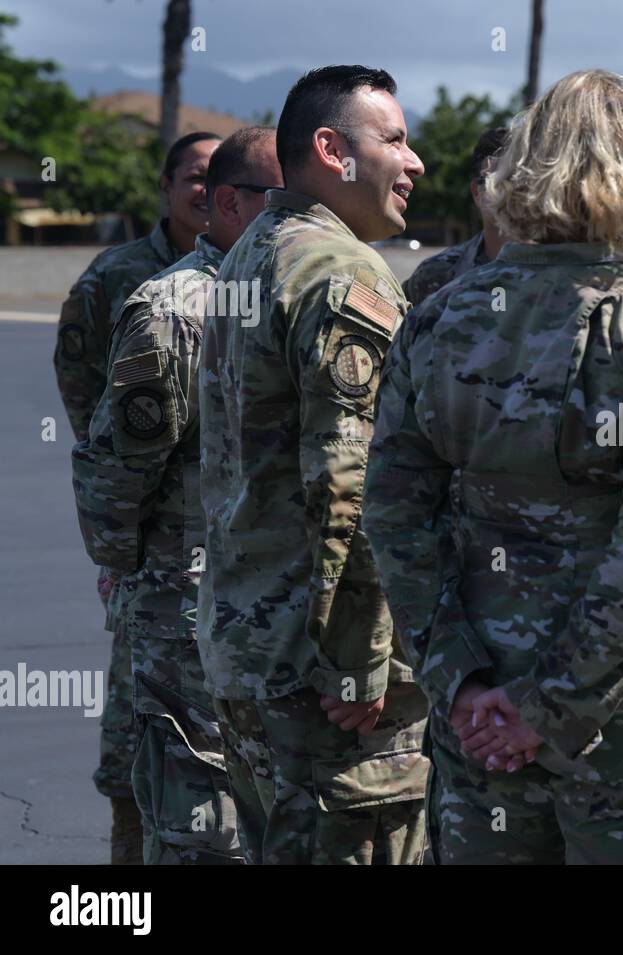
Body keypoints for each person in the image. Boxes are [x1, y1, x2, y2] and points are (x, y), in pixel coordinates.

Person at [363, 68, 623, 864]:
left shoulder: (440, 313)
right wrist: (552, 705)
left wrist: (458, 679)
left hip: (480, 711)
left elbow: (394, 512)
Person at [198, 66, 428, 865]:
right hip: (323, 680)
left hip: (251, 653)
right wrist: (360, 661)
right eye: (394, 139)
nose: (415, 161)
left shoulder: (251, 254)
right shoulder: (340, 274)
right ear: (332, 150)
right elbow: (353, 483)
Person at [70, 128, 282, 864]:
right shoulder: (174, 309)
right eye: (283, 201)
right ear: (231, 203)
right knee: (200, 825)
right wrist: (131, 568)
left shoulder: (301, 294)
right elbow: (111, 470)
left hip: (280, 619)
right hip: (185, 609)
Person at [52, 129, 222, 864]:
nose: (203, 189)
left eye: (217, 175)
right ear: (166, 184)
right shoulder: (118, 278)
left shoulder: (254, 274)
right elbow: (88, 399)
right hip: (154, 542)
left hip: (221, 552)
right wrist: (119, 536)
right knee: (140, 741)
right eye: (192, 175)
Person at [402, 125, 508, 305]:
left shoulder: (560, 272)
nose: (514, 190)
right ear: (477, 193)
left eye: (524, 178)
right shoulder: (434, 276)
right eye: (500, 181)